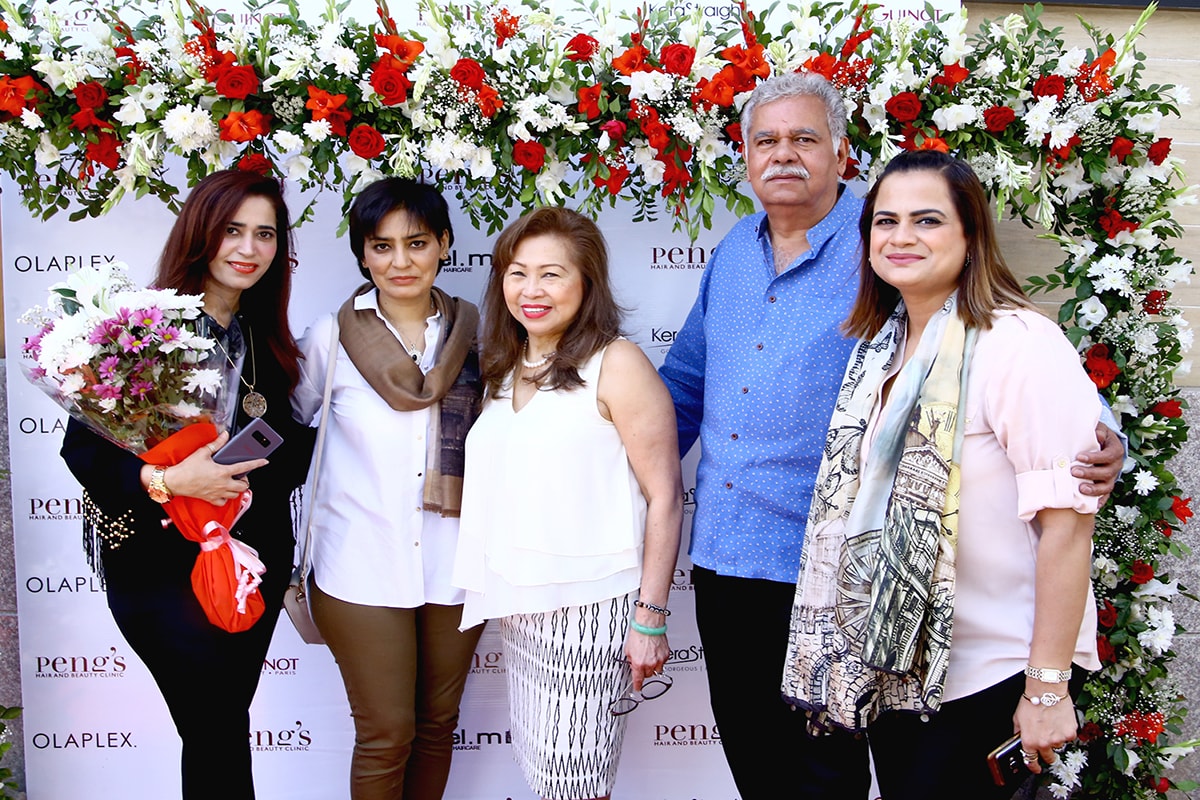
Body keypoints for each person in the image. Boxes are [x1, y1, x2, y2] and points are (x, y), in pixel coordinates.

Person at [657, 71, 1124, 800]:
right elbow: (683, 385)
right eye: (765, 140)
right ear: (744, 156)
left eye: (804, 138)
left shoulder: (887, 255)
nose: (783, 154)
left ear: (843, 153)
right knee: (761, 766)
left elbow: (1039, 397)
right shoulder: (740, 258)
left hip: (845, 583)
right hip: (728, 560)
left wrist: (1106, 436)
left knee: (829, 781)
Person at [781, 149, 1100, 797]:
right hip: (896, 670)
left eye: (927, 220)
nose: (901, 237)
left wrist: (1046, 687)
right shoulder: (881, 348)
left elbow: (1068, 527)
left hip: (992, 674)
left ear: (971, 236)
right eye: (886, 221)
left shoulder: (1017, 343)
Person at [60, 169, 313, 800]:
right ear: (201, 233)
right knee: (215, 723)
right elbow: (83, 451)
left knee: (219, 725)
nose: (249, 249)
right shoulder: (139, 331)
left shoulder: (267, 341)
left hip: (247, 565)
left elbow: (286, 460)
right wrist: (171, 479)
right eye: (233, 230)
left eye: (265, 234)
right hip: (156, 566)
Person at [452, 207, 683, 800]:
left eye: (551, 274)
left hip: (592, 609)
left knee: (577, 784)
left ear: (586, 283)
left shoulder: (617, 363)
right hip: (522, 605)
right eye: (518, 273)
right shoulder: (505, 366)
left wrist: (650, 618)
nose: (531, 290)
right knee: (547, 775)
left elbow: (665, 496)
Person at [291, 177, 484, 800]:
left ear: (444, 244)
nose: (400, 261)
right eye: (382, 246)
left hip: (455, 564)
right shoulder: (331, 337)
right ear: (363, 255)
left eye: (417, 243)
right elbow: (285, 429)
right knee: (386, 732)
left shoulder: (478, 336)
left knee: (437, 725)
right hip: (359, 563)